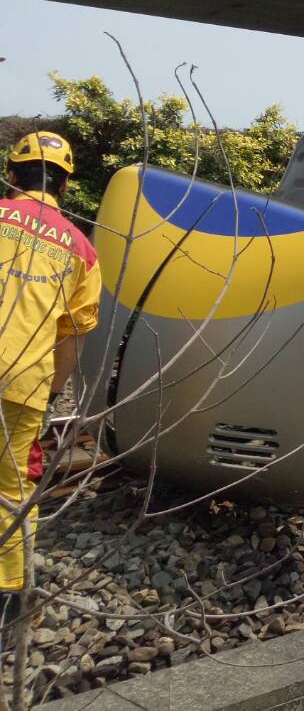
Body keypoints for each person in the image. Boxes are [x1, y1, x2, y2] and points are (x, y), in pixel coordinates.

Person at [0, 133, 99, 627]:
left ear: (11, 174)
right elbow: (73, 337)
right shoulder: (82, 249)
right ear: (63, 185)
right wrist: (52, 393)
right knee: (12, 492)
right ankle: (6, 604)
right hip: (24, 382)